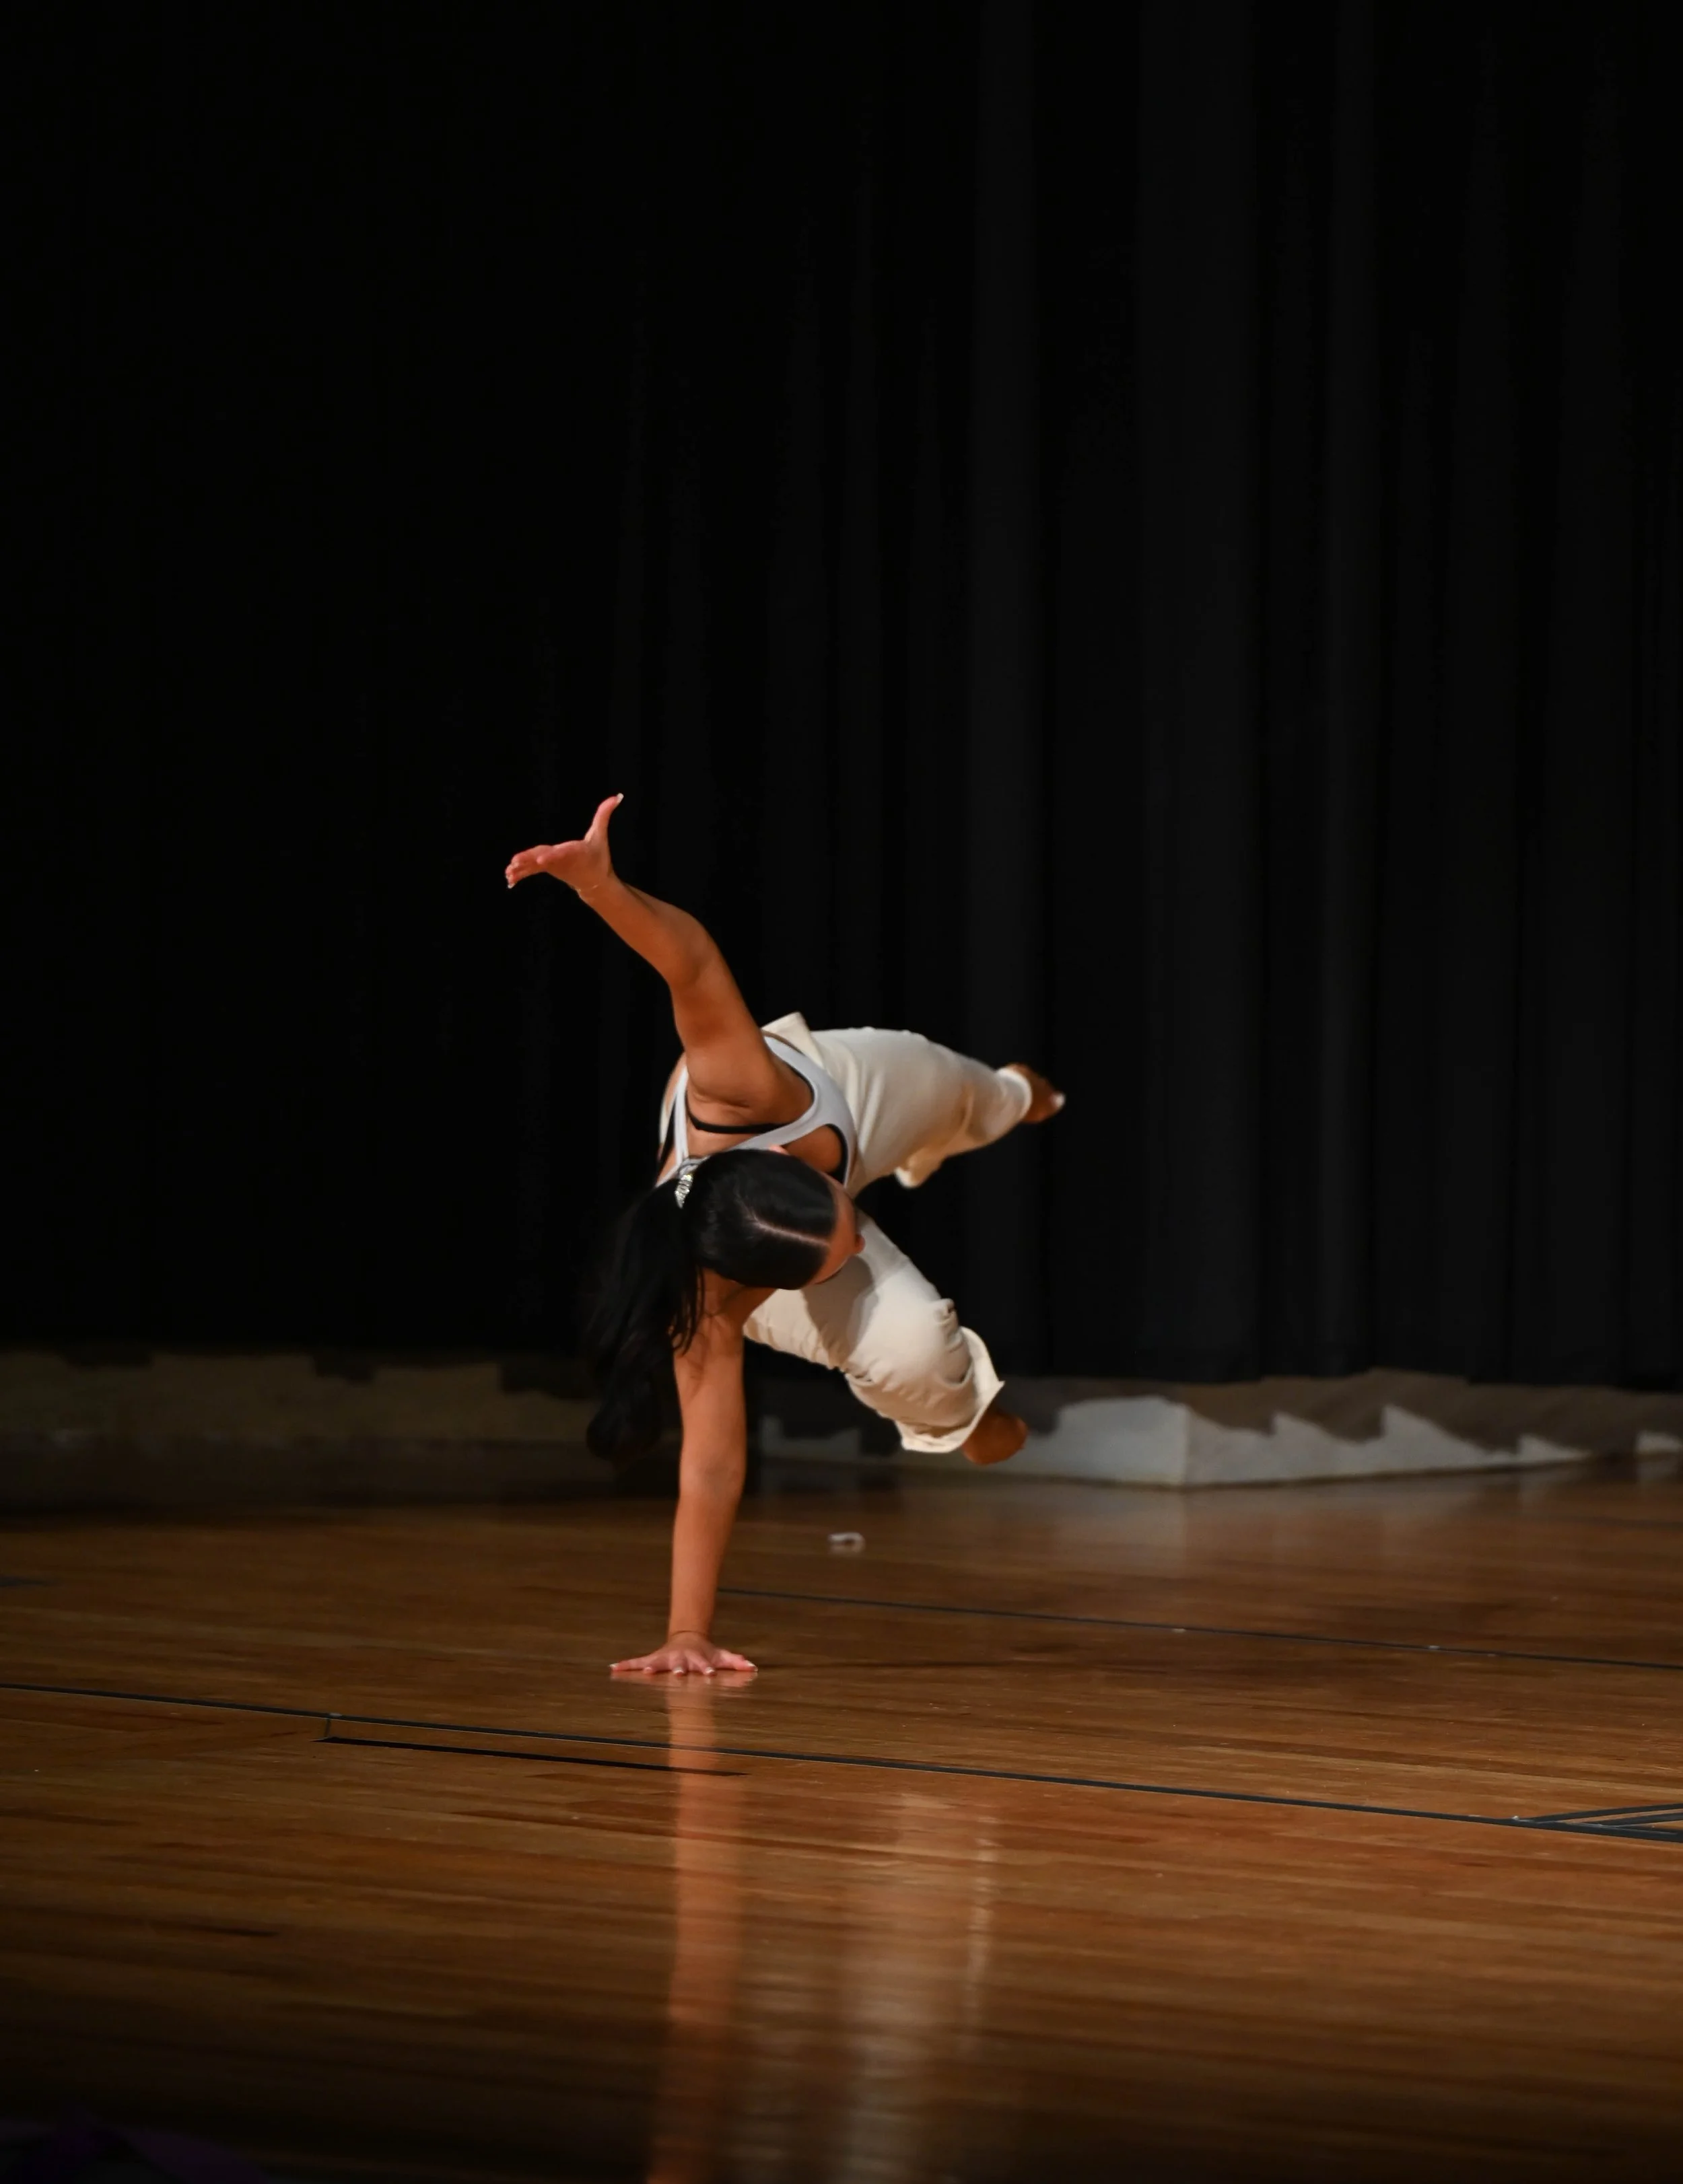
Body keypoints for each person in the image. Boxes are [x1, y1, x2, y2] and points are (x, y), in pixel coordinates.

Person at [505, 796, 1066, 1676]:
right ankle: (966, 1415)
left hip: (855, 1093)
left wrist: (601, 888)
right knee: (915, 1347)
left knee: (976, 1095)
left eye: (847, 1219)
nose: (865, 1234)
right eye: (839, 1256)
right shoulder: (709, 1300)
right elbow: (715, 1467)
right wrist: (687, 1630)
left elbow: (688, 961)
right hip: (781, 1223)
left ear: (798, 1176)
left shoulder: (739, 1088)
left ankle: (1018, 1096)